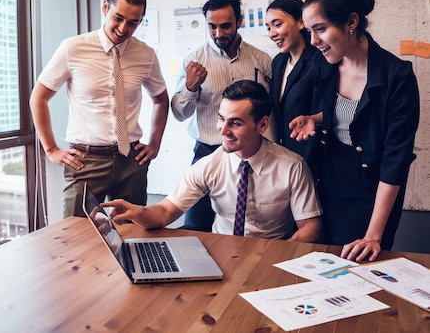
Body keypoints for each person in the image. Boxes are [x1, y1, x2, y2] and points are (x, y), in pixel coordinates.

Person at [289, 0, 420, 262]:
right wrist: (314, 119)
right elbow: (349, 114)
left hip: (371, 188)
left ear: (351, 22)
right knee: (318, 260)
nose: (312, 41)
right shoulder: (325, 64)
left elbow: (394, 160)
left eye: (320, 29)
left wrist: (373, 235)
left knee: (355, 265)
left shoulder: (397, 76)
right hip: (328, 176)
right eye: (309, 30)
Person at [105, 80, 322, 242]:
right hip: (222, 251)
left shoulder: (292, 166)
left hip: (271, 253)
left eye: (235, 123)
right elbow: (164, 212)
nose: (223, 130)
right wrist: (137, 212)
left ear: (262, 125)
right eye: (221, 119)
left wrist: (276, 257)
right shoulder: (208, 165)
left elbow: (311, 227)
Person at [29, 0, 169, 218]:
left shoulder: (146, 55)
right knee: (76, 236)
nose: (123, 29)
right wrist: (51, 149)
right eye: (118, 18)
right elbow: (38, 98)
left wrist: (154, 144)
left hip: (131, 161)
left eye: (133, 23)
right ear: (106, 7)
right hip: (86, 162)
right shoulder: (72, 48)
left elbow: (160, 99)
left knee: (132, 235)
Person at [171, 0, 272, 232]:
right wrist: (190, 87)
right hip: (208, 152)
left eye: (225, 25)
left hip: (251, 154)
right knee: (196, 225)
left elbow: (270, 109)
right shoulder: (193, 60)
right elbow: (179, 113)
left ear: (239, 21)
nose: (218, 33)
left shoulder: (262, 60)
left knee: (249, 225)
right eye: (212, 26)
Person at [266, 0, 319, 156]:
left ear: (301, 22)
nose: (272, 34)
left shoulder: (319, 60)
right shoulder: (278, 62)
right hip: (285, 153)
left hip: (314, 153)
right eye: (268, 28)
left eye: (278, 24)